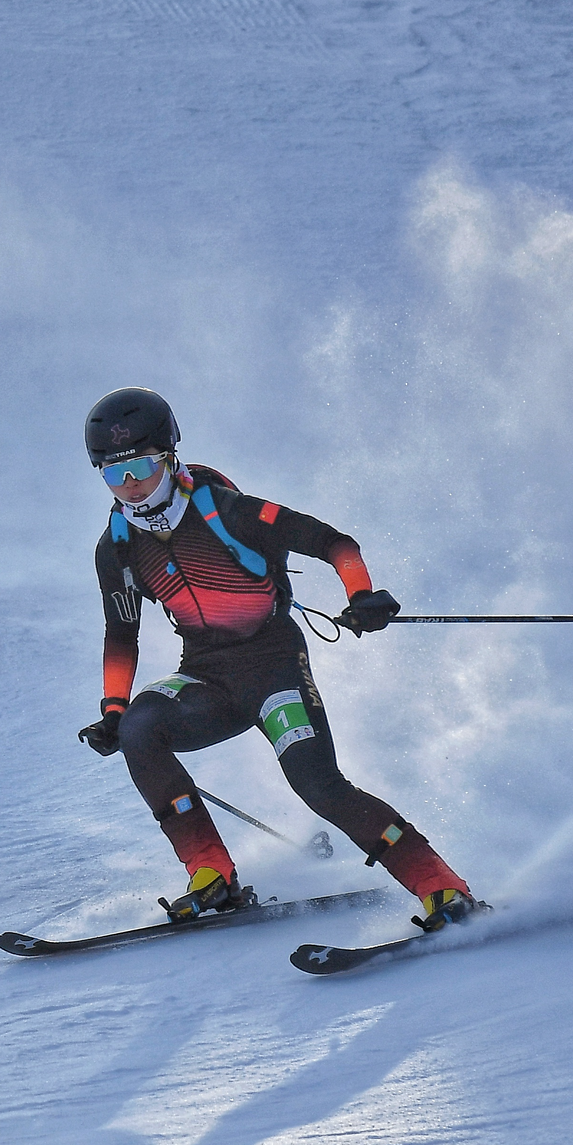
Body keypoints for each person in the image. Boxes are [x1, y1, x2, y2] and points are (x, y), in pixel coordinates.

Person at [77, 386, 475, 928]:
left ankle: (441, 887)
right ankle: (210, 876)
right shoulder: (117, 548)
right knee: (140, 730)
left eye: (142, 467)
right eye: (113, 474)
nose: (131, 486)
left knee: (318, 786)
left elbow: (336, 544)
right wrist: (114, 709)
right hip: (205, 679)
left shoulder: (229, 511)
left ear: (170, 457)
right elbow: (121, 635)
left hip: (274, 670)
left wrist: (361, 595)